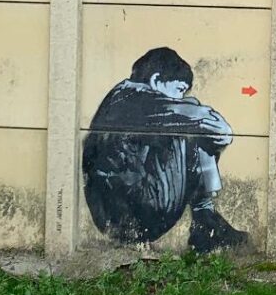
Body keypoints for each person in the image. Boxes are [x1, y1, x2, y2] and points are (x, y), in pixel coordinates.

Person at [83, 47, 249, 252]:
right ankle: (205, 221)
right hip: (133, 213)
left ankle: (206, 219)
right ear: (156, 81)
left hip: (113, 208)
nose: (179, 99)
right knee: (193, 136)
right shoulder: (144, 102)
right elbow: (222, 131)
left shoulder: (121, 96)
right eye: (179, 90)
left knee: (186, 129)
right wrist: (192, 107)